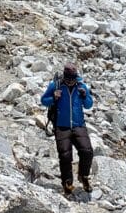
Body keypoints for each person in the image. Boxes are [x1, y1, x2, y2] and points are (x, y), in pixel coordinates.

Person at [40, 63, 94, 196]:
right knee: (65, 155)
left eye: (73, 79)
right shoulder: (56, 86)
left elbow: (89, 105)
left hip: (78, 125)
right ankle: (67, 183)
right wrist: (54, 97)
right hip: (62, 126)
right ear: (64, 77)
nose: (70, 82)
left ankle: (83, 176)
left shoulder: (81, 86)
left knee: (87, 151)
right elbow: (44, 100)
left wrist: (84, 95)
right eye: (68, 79)